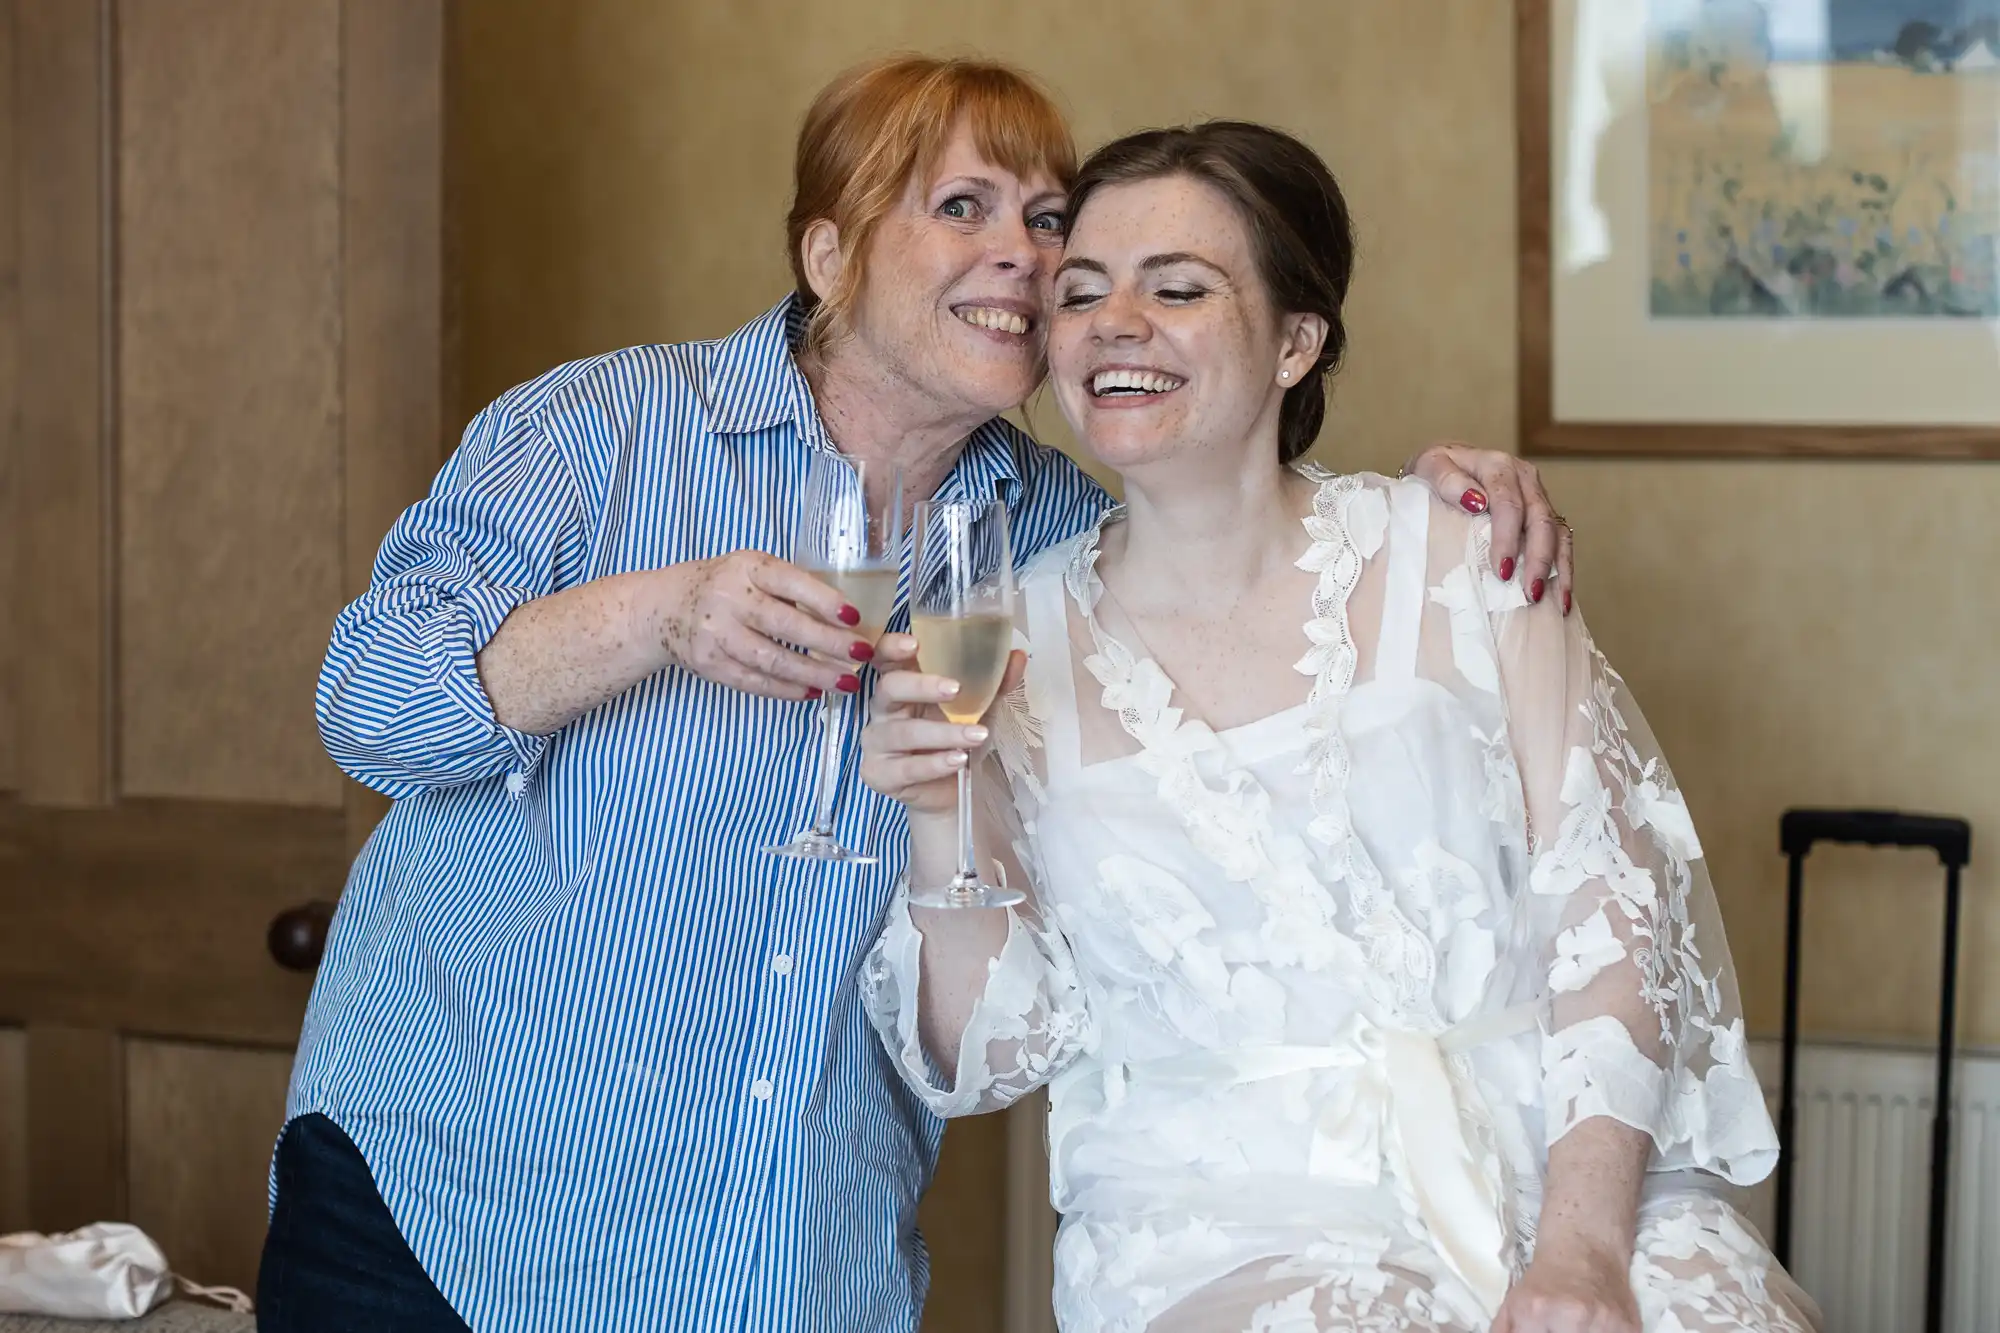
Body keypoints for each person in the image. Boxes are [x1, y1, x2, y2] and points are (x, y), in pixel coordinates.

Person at [260, 58, 1579, 1333]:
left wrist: (1424, 507)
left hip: (784, 1251)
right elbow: (369, 709)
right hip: (448, 1213)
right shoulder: (602, 429)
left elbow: (1251, 547)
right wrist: (652, 614)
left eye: (1047, 218)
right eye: (963, 208)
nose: (1025, 251)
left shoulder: (1059, 531)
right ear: (829, 258)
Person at [858, 122, 1821, 1333]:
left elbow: (1611, 912)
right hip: (1221, 1236)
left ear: (1296, 341)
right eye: (1081, 293)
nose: (1112, 324)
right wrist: (937, 808)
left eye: (1178, 288)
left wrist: (1578, 1254)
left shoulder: (1468, 556)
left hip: (1558, 1183)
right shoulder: (999, 636)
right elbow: (990, 1058)